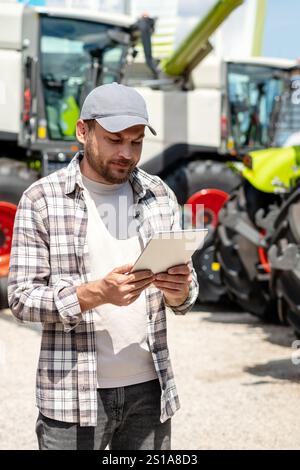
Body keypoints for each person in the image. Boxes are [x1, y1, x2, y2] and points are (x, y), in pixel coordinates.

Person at [8, 82, 199, 450]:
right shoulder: (42, 200)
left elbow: (187, 293)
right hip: (73, 396)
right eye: (114, 139)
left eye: (136, 141)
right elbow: (21, 298)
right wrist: (93, 294)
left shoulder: (159, 193)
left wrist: (180, 292)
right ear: (83, 131)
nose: (126, 153)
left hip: (150, 389)